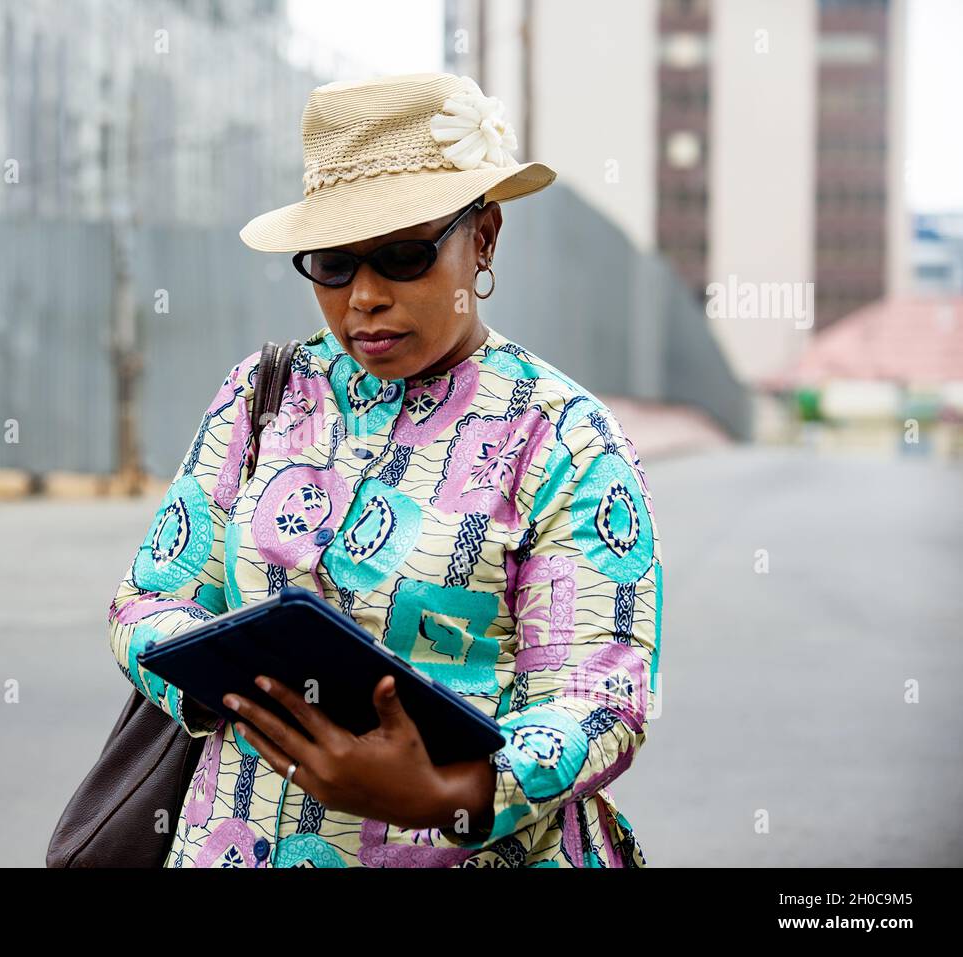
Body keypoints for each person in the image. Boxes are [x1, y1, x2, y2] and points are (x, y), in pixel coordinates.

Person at [107, 72, 662, 868]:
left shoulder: (563, 438)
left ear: (485, 236)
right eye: (332, 264)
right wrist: (235, 683)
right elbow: (147, 599)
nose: (364, 297)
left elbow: (602, 696)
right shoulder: (263, 396)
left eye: (403, 256)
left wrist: (449, 794)